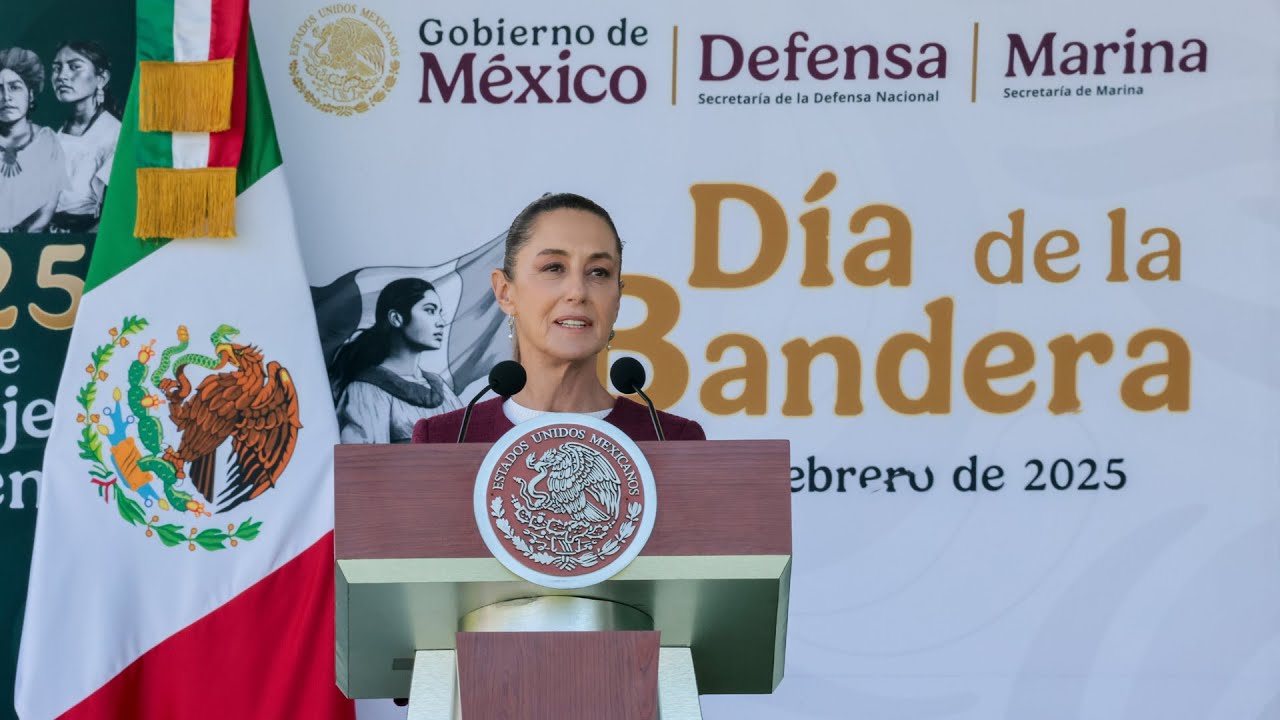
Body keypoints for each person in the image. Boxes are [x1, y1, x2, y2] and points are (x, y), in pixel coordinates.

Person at [412, 193, 705, 444]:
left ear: (617, 300)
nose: (577, 292)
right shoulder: (445, 439)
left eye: (599, 272)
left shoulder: (671, 439)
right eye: (554, 268)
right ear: (504, 292)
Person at [332, 277, 464, 443]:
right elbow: (362, 457)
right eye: (430, 310)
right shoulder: (366, 391)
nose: (441, 322)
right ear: (396, 318)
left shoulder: (439, 387)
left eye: (439, 313)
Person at [50, 41, 120, 233]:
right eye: (56, 68)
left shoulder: (114, 134)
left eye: (74, 67)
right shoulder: (53, 132)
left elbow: (117, 212)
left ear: (101, 78)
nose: (62, 76)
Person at [0, 47, 67, 233]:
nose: (6, 97)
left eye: (15, 87)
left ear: (30, 95)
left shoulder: (47, 142)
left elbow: (45, 212)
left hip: (29, 243)